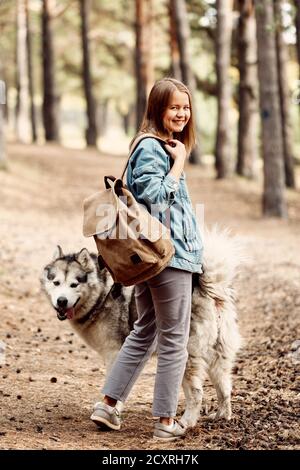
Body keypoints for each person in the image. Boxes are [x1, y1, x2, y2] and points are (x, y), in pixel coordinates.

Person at [90, 77, 203, 441]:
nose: (182, 113)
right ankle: (166, 422)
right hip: (166, 256)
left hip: (153, 257)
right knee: (173, 338)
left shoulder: (154, 145)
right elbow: (156, 197)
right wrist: (178, 165)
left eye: (185, 107)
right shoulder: (156, 149)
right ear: (158, 109)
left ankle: (108, 405)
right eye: (174, 107)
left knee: (145, 331)